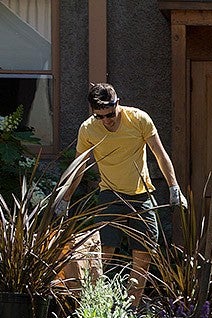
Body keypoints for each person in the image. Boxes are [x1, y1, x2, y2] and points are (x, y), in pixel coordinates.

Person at [57, 83, 188, 306]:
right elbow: (79, 166)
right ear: (93, 113)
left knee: (144, 254)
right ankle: (93, 306)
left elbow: (160, 154)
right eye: (100, 117)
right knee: (103, 253)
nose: (107, 120)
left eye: (110, 114)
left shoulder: (138, 119)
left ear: (117, 103)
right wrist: (65, 197)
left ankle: (131, 308)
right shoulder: (88, 129)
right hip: (110, 194)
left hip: (141, 195)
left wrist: (174, 188)